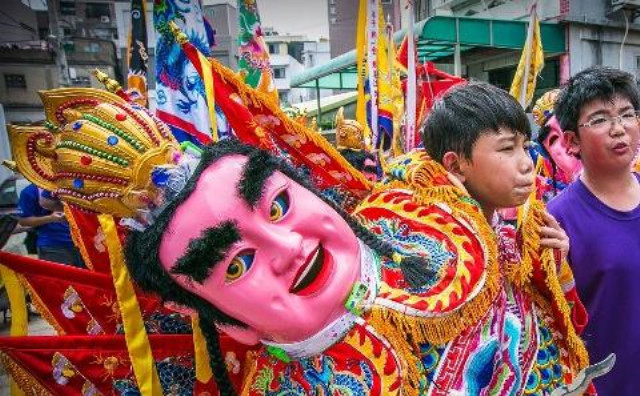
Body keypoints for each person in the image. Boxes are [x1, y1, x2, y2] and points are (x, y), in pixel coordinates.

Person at [1, 84, 607, 394]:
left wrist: (536, 254)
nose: (289, 247)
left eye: (281, 206)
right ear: (231, 325)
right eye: (236, 266)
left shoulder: (429, 231)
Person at [548, 66, 640, 395]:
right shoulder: (557, 221)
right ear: (571, 141)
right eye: (600, 119)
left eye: (627, 114)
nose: (619, 129)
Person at [17, 183, 84, 267]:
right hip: (53, 247)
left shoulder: (72, 183)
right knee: (60, 279)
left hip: (83, 244)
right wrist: (50, 218)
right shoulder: (29, 191)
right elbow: (23, 221)